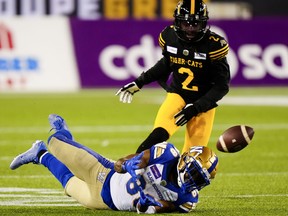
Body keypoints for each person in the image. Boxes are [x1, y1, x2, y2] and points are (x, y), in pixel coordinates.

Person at [10, 114, 219, 214]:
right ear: (184, 160)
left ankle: (38, 154)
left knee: (67, 181)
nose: (193, 179)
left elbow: (158, 208)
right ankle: (63, 131)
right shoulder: (166, 153)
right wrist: (130, 165)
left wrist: (148, 206)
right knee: (56, 143)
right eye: (194, 172)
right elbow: (121, 164)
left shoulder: (187, 200)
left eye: (199, 179)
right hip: (104, 173)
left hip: (103, 202)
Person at [116, 0, 231, 154]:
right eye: (186, 24)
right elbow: (165, 64)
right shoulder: (169, 36)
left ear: (204, 24)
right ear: (177, 22)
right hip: (178, 95)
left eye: (195, 24)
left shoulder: (214, 45)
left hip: (203, 104)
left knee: (192, 158)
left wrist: (196, 107)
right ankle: (129, 173)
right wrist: (140, 82)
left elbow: (221, 86)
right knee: (156, 138)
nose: (190, 29)